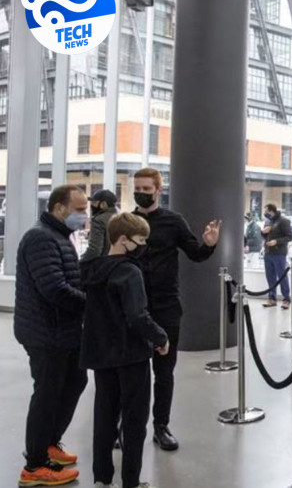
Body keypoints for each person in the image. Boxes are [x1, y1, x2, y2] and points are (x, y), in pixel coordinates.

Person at [131, 167, 221, 451]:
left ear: (158, 190)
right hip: (133, 308)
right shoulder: (127, 222)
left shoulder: (173, 221)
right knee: (131, 373)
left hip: (166, 306)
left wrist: (209, 245)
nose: (141, 193)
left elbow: (195, 253)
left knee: (164, 372)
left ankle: (161, 426)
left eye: (147, 189)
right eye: (138, 189)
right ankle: (127, 425)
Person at [81, 213, 169, 488]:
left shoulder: (92, 269)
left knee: (104, 418)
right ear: (123, 240)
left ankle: (101, 478)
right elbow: (137, 316)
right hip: (131, 355)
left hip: (101, 355)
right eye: (140, 240)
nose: (143, 245)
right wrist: (160, 337)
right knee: (134, 420)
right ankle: (131, 481)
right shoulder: (130, 272)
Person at [14, 185, 89, 487]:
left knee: (75, 381)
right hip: (46, 333)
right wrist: (93, 305)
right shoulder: (40, 238)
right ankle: (34, 466)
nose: (84, 215)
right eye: (79, 209)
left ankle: (48, 443)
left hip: (63, 330)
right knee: (47, 394)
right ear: (59, 208)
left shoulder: (58, 235)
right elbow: (54, 288)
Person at [261, 203, 292, 308]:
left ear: (272, 211)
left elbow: (289, 237)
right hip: (268, 253)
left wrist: (276, 241)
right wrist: (263, 232)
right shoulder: (267, 221)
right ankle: (272, 298)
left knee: (282, 276)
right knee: (270, 277)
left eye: (266, 211)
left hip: (279, 254)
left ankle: (286, 299)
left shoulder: (284, 221)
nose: (265, 213)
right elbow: (265, 236)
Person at [81, 189, 119, 262]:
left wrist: (81, 262)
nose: (92, 205)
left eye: (94, 203)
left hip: (102, 263)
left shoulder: (98, 220)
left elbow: (95, 249)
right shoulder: (121, 217)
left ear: (103, 204)